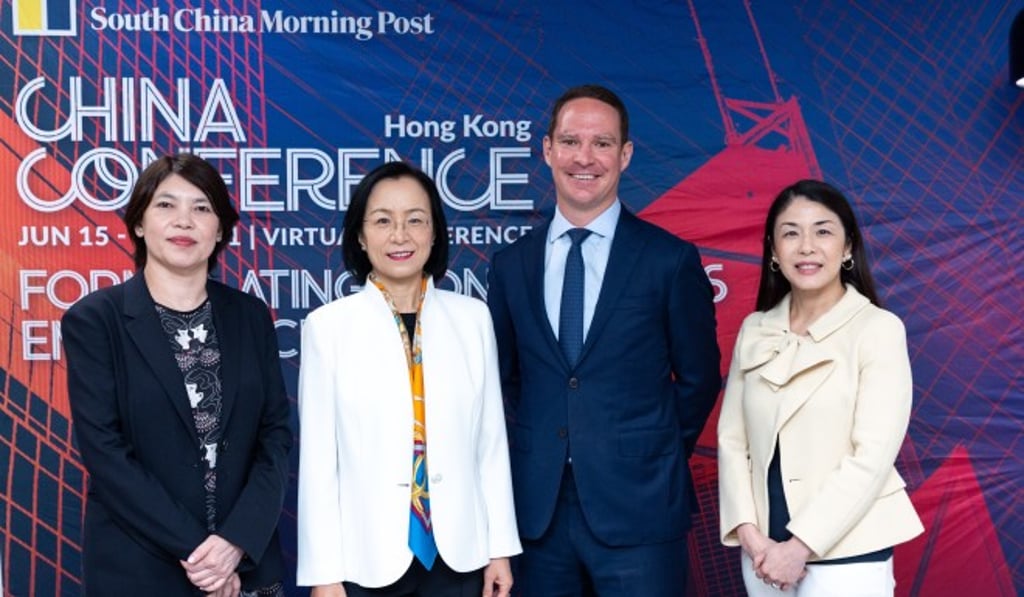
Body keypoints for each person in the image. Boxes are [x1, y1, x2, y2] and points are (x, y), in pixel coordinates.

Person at [486, 84, 722, 596]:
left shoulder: (669, 260)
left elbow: (700, 379)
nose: (584, 158)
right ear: (547, 150)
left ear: (626, 154)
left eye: (602, 143)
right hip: (538, 514)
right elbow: (504, 381)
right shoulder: (511, 266)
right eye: (570, 141)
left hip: (641, 509)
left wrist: (647, 451)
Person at [61, 154, 292, 596]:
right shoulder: (95, 321)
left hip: (244, 570)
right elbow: (106, 453)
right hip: (140, 569)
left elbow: (275, 435)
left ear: (221, 230)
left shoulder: (250, 316)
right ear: (139, 224)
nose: (184, 220)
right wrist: (203, 556)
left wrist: (235, 544)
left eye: (202, 208)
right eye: (166, 205)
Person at [296, 161, 521, 597]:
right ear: (360, 237)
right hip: (366, 560)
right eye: (383, 221)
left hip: (459, 555)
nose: (400, 235)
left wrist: (500, 549)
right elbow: (320, 465)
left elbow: (490, 446)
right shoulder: (328, 327)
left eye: (415, 220)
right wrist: (324, 575)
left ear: (435, 231)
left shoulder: (472, 319)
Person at [717, 179, 924, 595]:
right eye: (790, 233)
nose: (806, 246)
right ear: (774, 251)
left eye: (823, 231)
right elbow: (731, 440)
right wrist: (752, 537)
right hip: (762, 555)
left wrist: (800, 547)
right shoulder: (755, 329)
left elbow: (872, 457)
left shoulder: (878, 330)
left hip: (848, 554)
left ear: (848, 247)